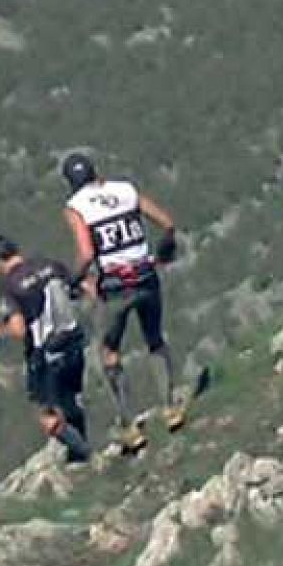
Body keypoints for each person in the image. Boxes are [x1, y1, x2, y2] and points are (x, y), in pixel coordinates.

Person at [60, 152, 184, 455]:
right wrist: (163, 253)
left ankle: (130, 425)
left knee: (110, 352)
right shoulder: (125, 190)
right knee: (154, 339)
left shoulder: (76, 207)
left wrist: (74, 281)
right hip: (146, 276)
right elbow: (168, 223)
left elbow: (87, 253)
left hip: (115, 286)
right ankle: (170, 408)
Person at [0, 234, 91, 464]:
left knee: (47, 415)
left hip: (46, 351)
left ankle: (85, 454)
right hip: (74, 342)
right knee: (70, 401)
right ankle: (79, 454)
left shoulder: (10, 285)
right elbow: (81, 289)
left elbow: (19, 329)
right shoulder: (50, 265)